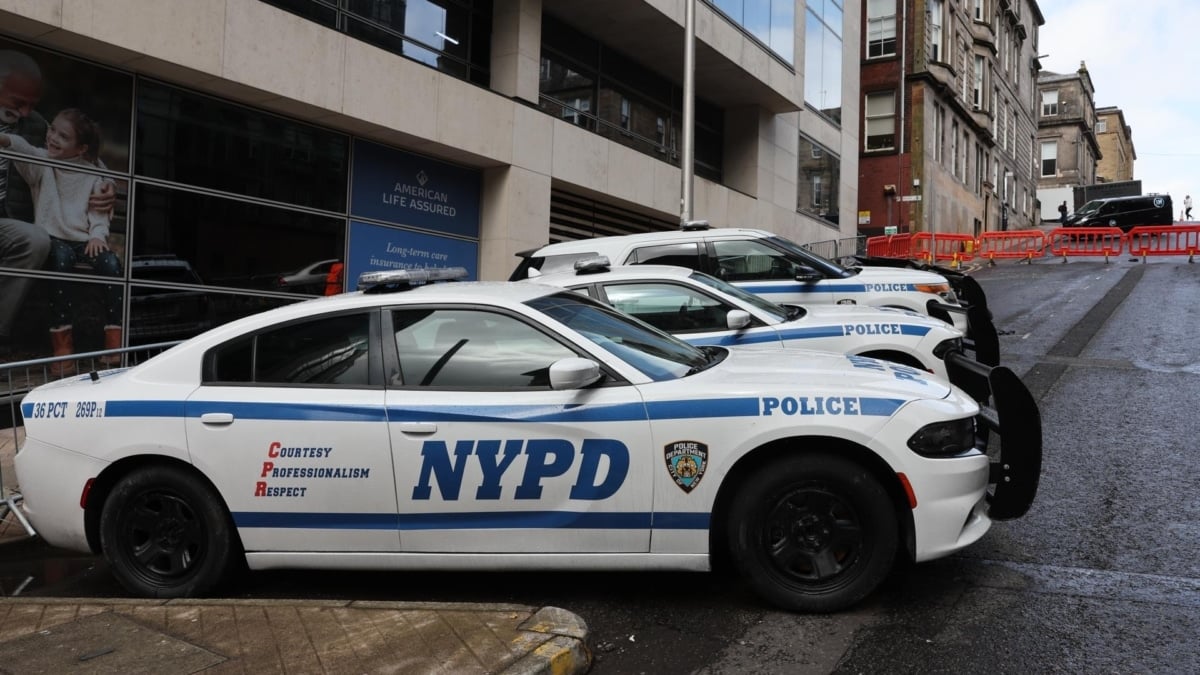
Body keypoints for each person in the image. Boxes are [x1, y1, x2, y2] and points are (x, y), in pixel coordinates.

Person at [0, 108, 122, 374]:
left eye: (62, 136)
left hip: (84, 240)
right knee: (63, 260)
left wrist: (97, 236)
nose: (52, 137)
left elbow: (98, 214)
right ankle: (63, 349)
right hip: (53, 239)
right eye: (52, 129)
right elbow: (24, 149)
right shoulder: (42, 164)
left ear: (80, 149)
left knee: (112, 264)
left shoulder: (94, 173)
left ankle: (114, 345)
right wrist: (6, 140)